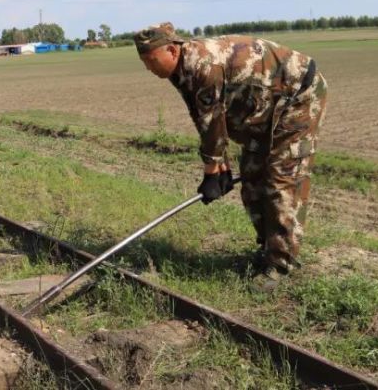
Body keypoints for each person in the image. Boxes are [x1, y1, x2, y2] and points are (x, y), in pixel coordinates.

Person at [133, 23, 327, 289]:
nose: (148, 67)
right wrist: (219, 163)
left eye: (151, 60)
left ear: (172, 50)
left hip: (298, 95)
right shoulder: (179, 70)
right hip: (265, 107)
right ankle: (267, 249)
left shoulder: (203, 64)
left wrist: (211, 169)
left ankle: (281, 264)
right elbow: (202, 114)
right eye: (144, 62)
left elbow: (212, 116)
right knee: (252, 175)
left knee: (281, 179)